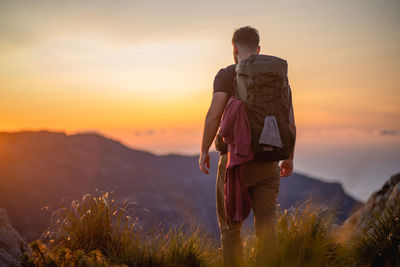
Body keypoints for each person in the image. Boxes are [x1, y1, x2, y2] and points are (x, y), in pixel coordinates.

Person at [198, 26, 296, 266]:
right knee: (266, 228)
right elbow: (289, 120)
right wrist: (289, 157)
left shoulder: (227, 74)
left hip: (235, 164)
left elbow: (214, 115)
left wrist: (203, 150)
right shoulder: (276, 76)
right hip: (269, 162)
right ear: (258, 49)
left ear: (234, 48)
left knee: (231, 229)